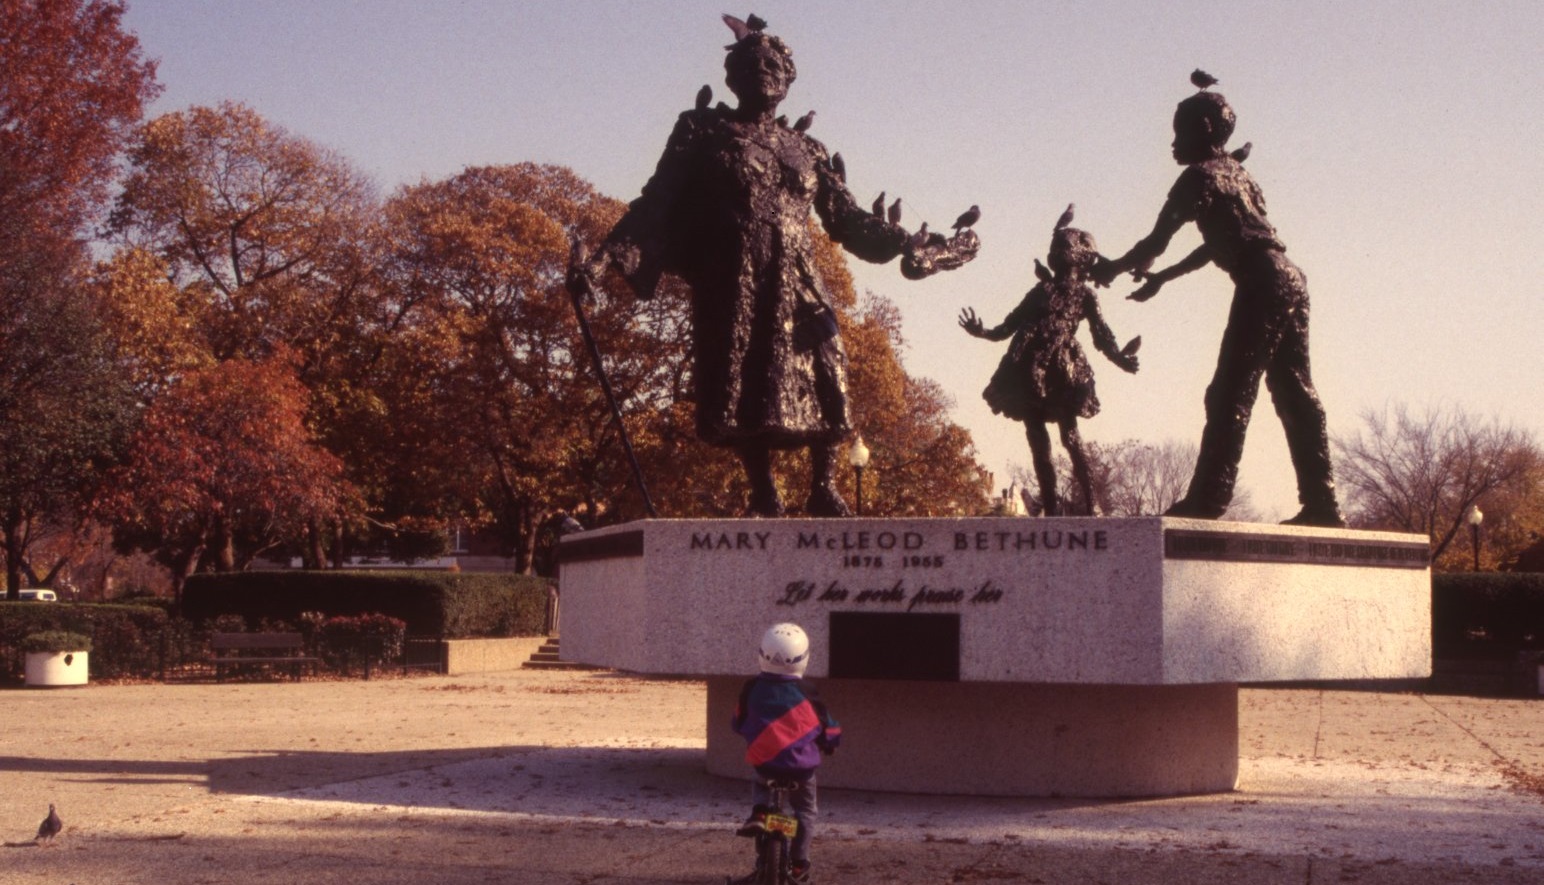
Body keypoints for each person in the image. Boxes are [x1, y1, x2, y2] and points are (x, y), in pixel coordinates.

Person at [571, 14, 976, 517]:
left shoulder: (806, 148)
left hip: (799, 272)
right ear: (731, 77)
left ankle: (823, 483)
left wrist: (909, 242)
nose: (762, 70)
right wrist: (604, 257)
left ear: (788, 80)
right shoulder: (703, 130)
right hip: (735, 275)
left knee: (829, 359)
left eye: (774, 64)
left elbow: (846, 218)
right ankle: (763, 488)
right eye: (750, 62)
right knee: (747, 374)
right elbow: (657, 199)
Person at [1092, 87, 1345, 526]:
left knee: (1230, 391)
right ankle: (1323, 503)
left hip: (1262, 283)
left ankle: (1209, 499)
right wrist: (1164, 278)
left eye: (1179, 133)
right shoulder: (1242, 177)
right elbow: (1222, 245)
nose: (1173, 144)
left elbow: (1155, 242)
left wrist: (1112, 268)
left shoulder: (1199, 178)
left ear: (1205, 130)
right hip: (1289, 276)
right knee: (1295, 391)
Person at [960, 224, 1139, 515]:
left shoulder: (1085, 295)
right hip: (1028, 370)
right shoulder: (1040, 291)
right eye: (1057, 246)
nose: (1058, 251)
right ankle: (1052, 510)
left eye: (1065, 246)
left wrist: (1119, 358)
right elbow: (1009, 325)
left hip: (1062, 371)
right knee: (1037, 441)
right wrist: (983, 332)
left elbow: (1102, 335)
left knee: (1070, 437)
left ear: (1082, 257)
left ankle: (1091, 503)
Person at [731, 622, 840, 884]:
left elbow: (737, 722)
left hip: (766, 763)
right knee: (805, 810)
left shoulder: (751, 688)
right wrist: (830, 743)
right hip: (800, 769)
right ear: (803, 658)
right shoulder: (808, 693)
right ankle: (800, 863)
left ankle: (759, 812)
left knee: (760, 780)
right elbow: (828, 726)